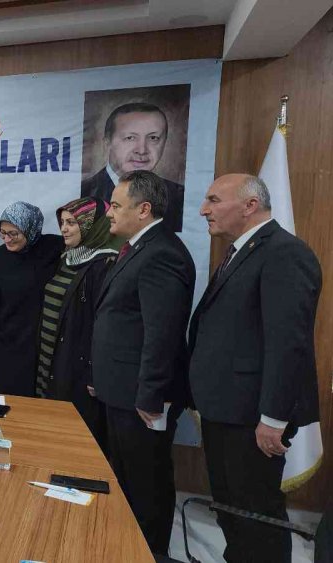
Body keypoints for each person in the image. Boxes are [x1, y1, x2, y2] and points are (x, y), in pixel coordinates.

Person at [189, 174, 321, 563]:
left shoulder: (284, 253)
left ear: (250, 205)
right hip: (225, 410)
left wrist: (274, 417)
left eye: (214, 200)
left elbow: (288, 343)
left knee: (257, 518)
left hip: (253, 417)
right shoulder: (239, 252)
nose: (203, 210)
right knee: (233, 512)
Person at [91, 170, 195, 556]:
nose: (109, 213)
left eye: (117, 206)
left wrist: (151, 395)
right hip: (120, 390)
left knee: (146, 484)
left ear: (144, 209)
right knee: (125, 479)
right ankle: (125, 548)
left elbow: (162, 334)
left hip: (141, 397)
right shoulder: (138, 248)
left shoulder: (162, 253)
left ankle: (149, 552)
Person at [36, 197, 120, 449]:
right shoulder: (67, 258)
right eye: (62, 222)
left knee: (76, 442)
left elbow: (104, 327)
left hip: (78, 368)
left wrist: (94, 372)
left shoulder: (104, 265)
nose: (64, 229)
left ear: (92, 226)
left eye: (72, 223)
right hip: (51, 361)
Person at [0, 202, 63, 396]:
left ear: (30, 229)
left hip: (44, 350)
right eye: (3, 233)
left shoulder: (53, 248)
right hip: (6, 347)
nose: (7, 239)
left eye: (14, 233)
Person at [81, 103, 185, 232]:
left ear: (164, 142)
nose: (142, 150)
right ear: (107, 142)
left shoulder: (179, 196)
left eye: (153, 138)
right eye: (130, 138)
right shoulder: (83, 193)